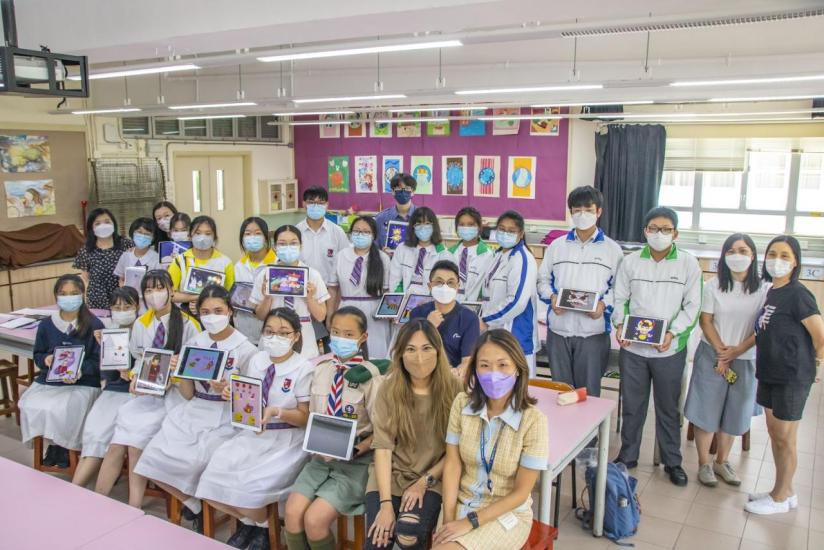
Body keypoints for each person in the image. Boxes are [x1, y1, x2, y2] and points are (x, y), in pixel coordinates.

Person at [135, 285, 257, 530]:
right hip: (194, 409)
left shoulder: (246, 349)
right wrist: (181, 373)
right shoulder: (195, 342)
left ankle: (243, 521)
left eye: (218, 311)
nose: (212, 317)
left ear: (230, 311)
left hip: (226, 417)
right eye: (205, 312)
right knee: (152, 458)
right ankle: (195, 505)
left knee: (196, 462)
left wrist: (229, 390)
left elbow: (250, 404)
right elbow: (188, 395)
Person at [196, 307, 314, 549]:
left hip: (286, 439)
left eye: (283, 333)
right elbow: (248, 398)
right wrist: (231, 392)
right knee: (210, 481)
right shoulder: (258, 361)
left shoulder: (303, 368)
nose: (275, 337)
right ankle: (257, 525)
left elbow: (304, 417)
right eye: (269, 331)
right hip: (252, 434)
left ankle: (260, 528)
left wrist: (277, 411)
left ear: (296, 336)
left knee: (250, 489)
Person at [432, 329, 548, 550]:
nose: (493, 373)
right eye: (484, 365)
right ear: (475, 369)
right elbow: (453, 465)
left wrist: (470, 522)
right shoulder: (461, 404)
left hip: (505, 514)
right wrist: (448, 519)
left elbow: (521, 493)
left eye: (503, 365)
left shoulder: (534, 421)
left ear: (518, 368)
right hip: (462, 503)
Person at [612, 206, 702, 486]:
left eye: (665, 229)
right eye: (653, 228)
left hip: (669, 351)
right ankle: (628, 455)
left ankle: (672, 461)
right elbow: (620, 299)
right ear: (645, 231)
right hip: (633, 350)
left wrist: (672, 334)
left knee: (668, 408)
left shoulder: (688, 264)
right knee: (632, 406)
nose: (659, 234)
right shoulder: (631, 262)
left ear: (675, 233)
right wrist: (620, 325)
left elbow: (692, 307)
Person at [94, 270, 201, 506]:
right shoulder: (141, 323)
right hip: (145, 395)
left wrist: (173, 374)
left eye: (160, 288)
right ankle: (97, 502)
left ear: (172, 291)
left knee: (134, 446)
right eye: (149, 290)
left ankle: (133, 506)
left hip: (175, 397)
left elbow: (195, 370)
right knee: (116, 443)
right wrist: (133, 376)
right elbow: (138, 360)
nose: (154, 294)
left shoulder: (189, 324)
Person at [284, 307, 386, 550]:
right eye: (336, 332)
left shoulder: (372, 378)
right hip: (320, 459)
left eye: (349, 334)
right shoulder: (321, 370)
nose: (341, 339)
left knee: (314, 520)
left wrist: (356, 449)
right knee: (292, 512)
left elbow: (384, 431)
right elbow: (312, 415)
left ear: (363, 338)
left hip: (357, 463)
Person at [365, 319, 462, 550]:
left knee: (409, 534)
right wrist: (385, 504)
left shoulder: (454, 389)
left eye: (426, 348)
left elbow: (456, 451)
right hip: (390, 474)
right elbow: (383, 449)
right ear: (400, 354)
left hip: (433, 476)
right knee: (378, 540)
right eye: (410, 349)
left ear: (438, 351)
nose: (419, 358)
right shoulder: (389, 389)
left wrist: (424, 482)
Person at [745, 236, 824, 515]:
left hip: (791, 376)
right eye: (772, 254)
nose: (776, 260)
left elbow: (820, 336)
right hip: (770, 372)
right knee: (776, 434)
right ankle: (785, 491)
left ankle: (779, 498)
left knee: (785, 438)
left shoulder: (798, 294)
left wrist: (815, 364)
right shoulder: (773, 292)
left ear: (795, 262)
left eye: (784, 256)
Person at [684, 233, 768, 488]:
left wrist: (737, 351)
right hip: (712, 353)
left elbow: (762, 327)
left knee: (736, 411)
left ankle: (722, 461)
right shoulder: (714, 285)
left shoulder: (764, 289)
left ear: (753, 256)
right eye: (731, 251)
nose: (737, 256)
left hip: (746, 357)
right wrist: (722, 352)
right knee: (706, 409)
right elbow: (706, 320)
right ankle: (704, 464)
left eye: (743, 251)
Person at [537, 186, 623, 396]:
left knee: (588, 394)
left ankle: (590, 421)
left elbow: (620, 289)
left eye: (588, 209)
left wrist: (603, 305)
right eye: (577, 210)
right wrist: (552, 297)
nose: (582, 214)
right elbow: (542, 281)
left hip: (593, 332)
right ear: (571, 212)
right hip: (559, 330)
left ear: (599, 211)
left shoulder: (612, 250)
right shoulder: (557, 246)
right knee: (561, 392)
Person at [19, 274, 105, 469]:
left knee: (65, 408)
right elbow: (38, 354)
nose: (69, 298)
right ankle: (54, 444)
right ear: (56, 296)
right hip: (50, 381)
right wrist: (46, 360)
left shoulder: (94, 325)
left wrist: (81, 370)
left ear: (83, 295)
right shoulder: (47, 325)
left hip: (83, 382)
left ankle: (66, 446)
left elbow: (99, 361)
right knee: (29, 403)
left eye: (74, 293)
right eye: (63, 294)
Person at [72, 287, 141, 487]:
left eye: (127, 307)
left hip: (133, 395)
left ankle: (75, 490)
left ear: (137, 307)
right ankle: (75, 489)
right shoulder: (110, 332)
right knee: (92, 436)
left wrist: (129, 373)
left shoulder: (144, 331)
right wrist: (105, 348)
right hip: (112, 392)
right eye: (116, 307)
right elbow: (109, 377)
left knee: (102, 438)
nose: (122, 311)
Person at [250, 225, 330, 359]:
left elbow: (321, 316)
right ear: (274, 247)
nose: (288, 247)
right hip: (273, 333)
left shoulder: (312, 275)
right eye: (282, 243)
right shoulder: (265, 275)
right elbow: (260, 316)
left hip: (304, 334)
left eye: (293, 243)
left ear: (301, 246)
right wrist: (267, 298)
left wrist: (309, 299)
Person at [479, 210, 539, 377]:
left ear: (521, 234)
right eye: (502, 229)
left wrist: (486, 320)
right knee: (495, 382)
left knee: (518, 386)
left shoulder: (522, 259)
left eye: (511, 231)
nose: (505, 234)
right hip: (494, 330)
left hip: (515, 333)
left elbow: (517, 301)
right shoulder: (498, 255)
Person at [329, 216, 392, 360]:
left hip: (374, 312)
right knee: (347, 350)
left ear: (373, 235)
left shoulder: (382, 258)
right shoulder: (341, 256)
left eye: (366, 232)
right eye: (357, 231)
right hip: (346, 309)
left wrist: (388, 314)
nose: (360, 235)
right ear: (350, 234)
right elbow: (333, 289)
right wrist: (330, 316)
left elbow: (387, 292)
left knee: (376, 354)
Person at [410, 260, 480, 376]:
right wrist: (428, 327)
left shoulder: (469, 318)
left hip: (452, 377)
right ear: (430, 286)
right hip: (422, 373)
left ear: (458, 287)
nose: (445, 287)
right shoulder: (417, 314)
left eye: (450, 283)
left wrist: (455, 374)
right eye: (439, 282)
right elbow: (411, 352)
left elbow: (467, 361)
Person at [168, 215, 235, 310]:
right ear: (190, 236)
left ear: (214, 237)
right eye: (198, 233)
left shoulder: (225, 262)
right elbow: (170, 294)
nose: (202, 237)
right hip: (185, 314)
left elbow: (230, 295)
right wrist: (196, 298)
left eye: (208, 234)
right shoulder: (180, 261)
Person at [73, 207, 133, 309]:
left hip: (124, 300)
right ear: (92, 228)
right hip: (97, 302)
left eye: (107, 222)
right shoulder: (86, 250)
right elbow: (85, 279)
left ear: (113, 224)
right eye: (98, 223)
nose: (103, 226)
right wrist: (84, 301)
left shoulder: (126, 244)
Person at [234, 216, 277, 343]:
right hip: (244, 330)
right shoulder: (238, 266)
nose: (252, 237)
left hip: (272, 329)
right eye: (247, 234)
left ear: (266, 237)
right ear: (242, 238)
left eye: (257, 233)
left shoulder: (277, 264)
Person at [389, 206, 450, 296]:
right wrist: (400, 299)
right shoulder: (402, 248)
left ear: (434, 226)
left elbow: (443, 283)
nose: (423, 228)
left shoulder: (443, 253)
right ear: (413, 227)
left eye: (427, 223)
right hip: (405, 298)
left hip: (432, 299)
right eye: (418, 224)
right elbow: (395, 278)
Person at [447, 207, 494, 303]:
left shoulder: (488, 255)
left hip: (475, 305)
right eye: (462, 224)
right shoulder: (449, 253)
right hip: (450, 304)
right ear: (457, 228)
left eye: (471, 224)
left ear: (479, 227)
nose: (466, 228)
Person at [376, 173, 417, 253]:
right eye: (398, 188)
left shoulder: (424, 216)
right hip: (388, 260)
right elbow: (374, 247)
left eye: (407, 188)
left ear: (413, 192)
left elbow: (437, 244)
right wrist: (382, 254)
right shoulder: (381, 218)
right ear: (392, 191)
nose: (403, 191)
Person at [115, 217, 160, 287]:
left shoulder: (157, 259)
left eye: (147, 234)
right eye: (139, 232)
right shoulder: (125, 256)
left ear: (153, 238)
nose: (142, 237)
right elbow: (121, 278)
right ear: (132, 233)